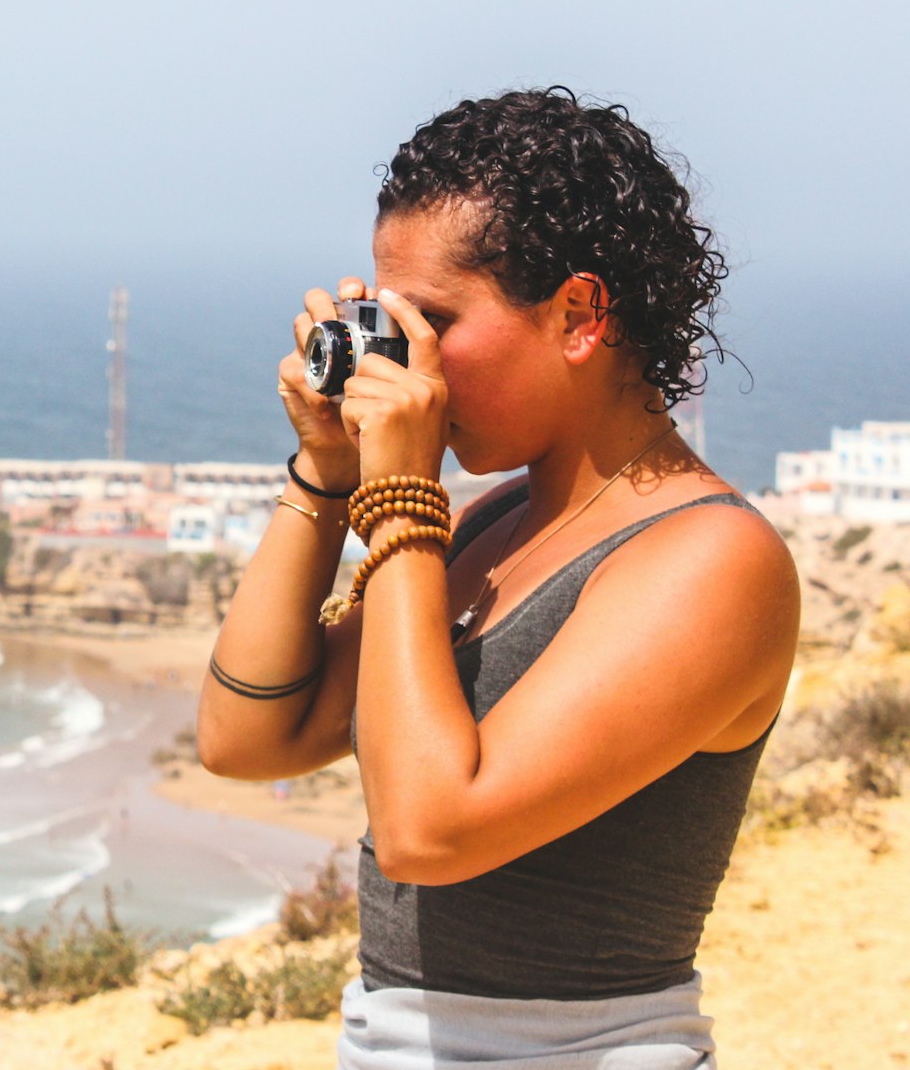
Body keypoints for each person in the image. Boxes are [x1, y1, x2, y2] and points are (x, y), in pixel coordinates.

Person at [197, 88, 798, 1068]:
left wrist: (398, 499)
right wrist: (326, 472)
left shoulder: (712, 560)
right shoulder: (489, 527)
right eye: (389, 321)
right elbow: (245, 735)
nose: (404, 356)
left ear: (578, 313)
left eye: (431, 319)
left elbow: (431, 830)